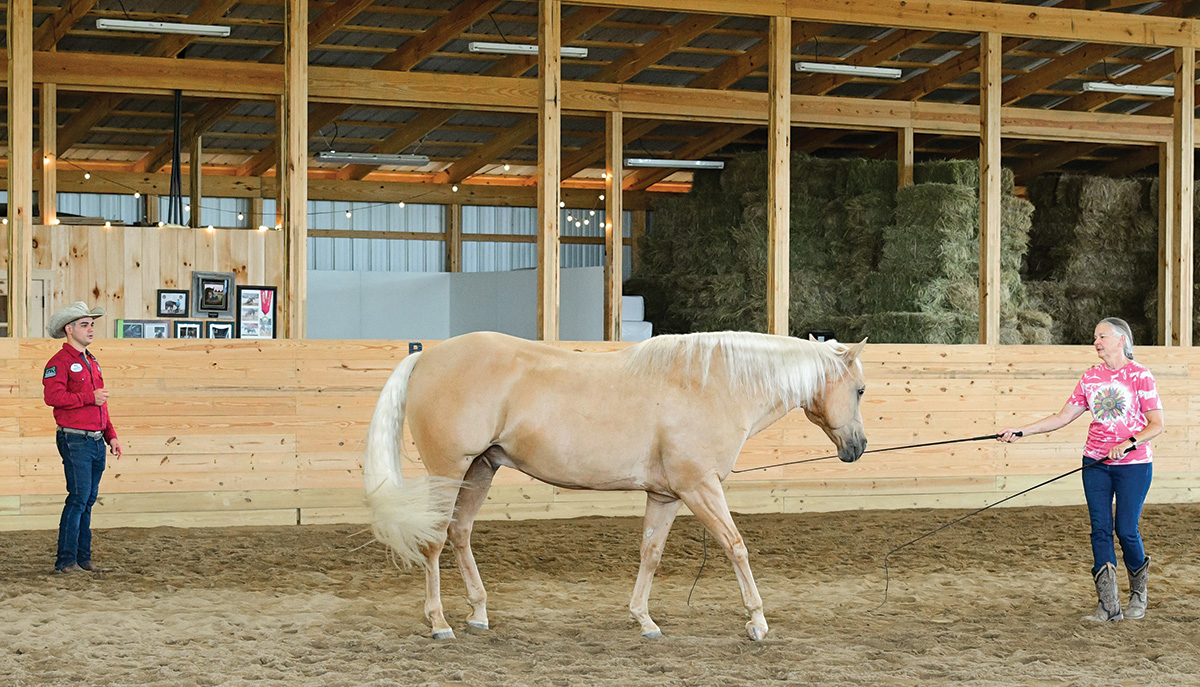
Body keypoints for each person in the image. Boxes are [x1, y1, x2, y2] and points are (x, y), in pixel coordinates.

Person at [998, 317, 1163, 622]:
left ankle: (1138, 592)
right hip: (1096, 463)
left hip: (1133, 465)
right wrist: (1021, 431)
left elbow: (1156, 425)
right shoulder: (1090, 377)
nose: (1096, 342)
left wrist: (1128, 443)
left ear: (1121, 340)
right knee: (1099, 529)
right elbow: (1062, 417)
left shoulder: (1141, 376)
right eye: (1095, 337)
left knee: (1126, 530)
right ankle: (1109, 604)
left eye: (1102, 336)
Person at [42, 302, 123, 575]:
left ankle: (82, 558)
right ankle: (66, 561)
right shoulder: (58, 363)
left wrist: (111, 435)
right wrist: (90, 397)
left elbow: (101, 404)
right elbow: (53, 398)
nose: (91, 329)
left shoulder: (91, 361)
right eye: (84, 324)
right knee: (78, 498)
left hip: (95, 439)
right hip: (75, 439)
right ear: (69, 329)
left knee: (87, 499)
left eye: (92, 324)